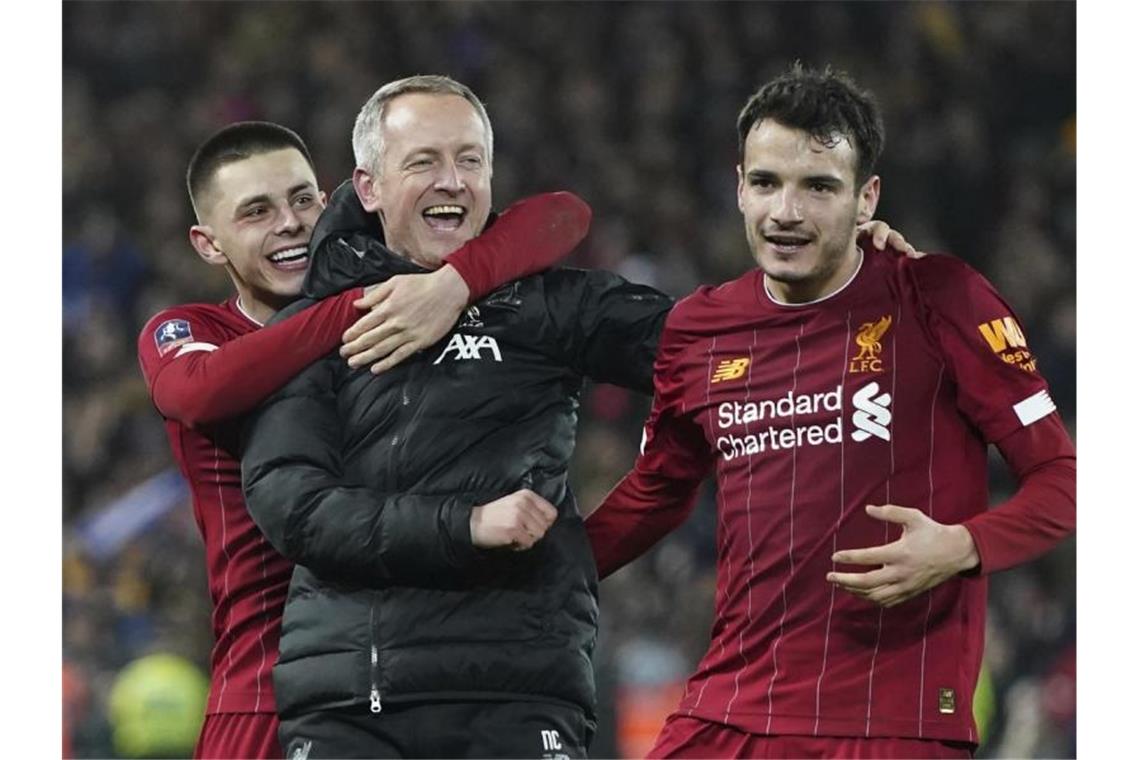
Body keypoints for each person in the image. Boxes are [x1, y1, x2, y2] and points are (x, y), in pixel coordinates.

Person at [240, 74, 917, 760]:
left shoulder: (549, 307)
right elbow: (291, 505)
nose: (452, 182)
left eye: (470, 161)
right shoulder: (315, 327)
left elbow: (718, 346)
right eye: (423, 163)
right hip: (355, 703)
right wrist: (465, 526)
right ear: (369, 187)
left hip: (518, 693)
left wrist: (843, 275)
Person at [584, 64, 1076, 759]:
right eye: (766, 183)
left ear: (866, 197)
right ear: (738, 187)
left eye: (819, 186)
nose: (786, 211)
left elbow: (1064, 479)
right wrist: (546, 571)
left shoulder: (939, 298)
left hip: (890, 724)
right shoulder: (698, 328)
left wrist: (962, 547)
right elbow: (656, 492)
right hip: (728, 714)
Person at [137, 120, 593, 759]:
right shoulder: (196, 329)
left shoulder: (425, 301)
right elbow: (198, 390)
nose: (290, 223)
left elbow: (562, 215)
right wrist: (373, 303)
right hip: (264, 680)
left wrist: (453, 283)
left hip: (395, 675)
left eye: (302, 200)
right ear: (209, 245)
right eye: (256, 212)